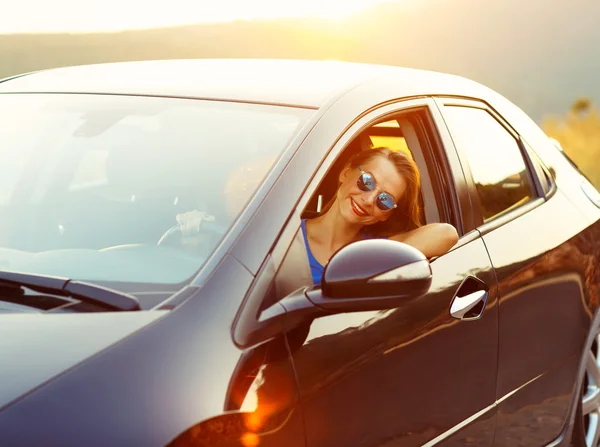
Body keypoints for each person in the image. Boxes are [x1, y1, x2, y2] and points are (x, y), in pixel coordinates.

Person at [301, 147, 458, 285]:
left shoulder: (379, 249)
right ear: (346, 172)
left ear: (386, 215)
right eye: (367, 181)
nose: (369, 200)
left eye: (385, 200)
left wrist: (368, 262)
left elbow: (447, 234)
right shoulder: (285, 233)